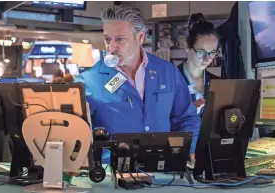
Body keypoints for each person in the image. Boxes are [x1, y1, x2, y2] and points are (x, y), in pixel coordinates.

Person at [75, 5, 200, 160]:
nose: (111, 47)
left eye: (120, 39)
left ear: (140, 37)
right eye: (107, 39)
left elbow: (186, 118)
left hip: (162, 174)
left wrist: (189, 151)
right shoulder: (88, 82)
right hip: (112, 176)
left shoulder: (167, 72)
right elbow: (75, 133)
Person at [178, 13, 220, 116]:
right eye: (201, 52)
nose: (207, 59)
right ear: (187, 47)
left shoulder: (218, 84)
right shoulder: (169, 80)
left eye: (212, 53)